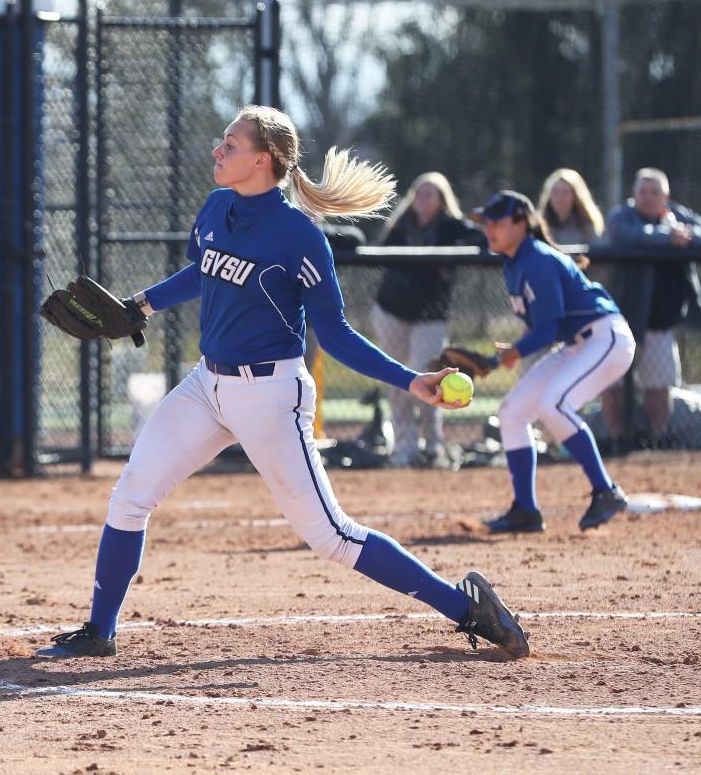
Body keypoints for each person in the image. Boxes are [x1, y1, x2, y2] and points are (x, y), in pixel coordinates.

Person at [36, 105, 529, 660]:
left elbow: (336, 334)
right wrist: (141, 303)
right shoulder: (217, 206)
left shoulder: (299, 235)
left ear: (263, 160)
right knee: (130, 497)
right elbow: (202, 270)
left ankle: (468, 608)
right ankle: (100, 631)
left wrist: (411, 380)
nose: (217, 152)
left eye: (230, 145)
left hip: (271, 396)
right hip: (207, 387)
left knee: (332, 536)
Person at [474, 191, 635, 534]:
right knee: (512, 413)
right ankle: (525, 512)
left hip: (607, 337)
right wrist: (512, 351)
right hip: (578, 344)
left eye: (498, 222)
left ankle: (606, 491)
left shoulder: (538, 260)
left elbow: (546, 330)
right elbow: (547, 326)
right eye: (486, 222)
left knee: (555, 405)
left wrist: (508, 354)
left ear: (522, 223)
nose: (489, 229)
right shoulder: (514, 262)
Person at [371, 172, 485, 468]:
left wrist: (449, 257)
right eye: (419, 193)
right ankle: (405, 446)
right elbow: (380, 253)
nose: (423, 199)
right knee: (396, 379)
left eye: (430, 194)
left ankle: (434, 445)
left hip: (430, 316)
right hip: (392, 310)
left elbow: (482, 237)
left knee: (432, 377)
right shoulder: (401, 225)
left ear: (442, 199)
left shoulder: (450, 226)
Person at [602, 168, 701, 448]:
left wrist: (683, 234)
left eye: (654, 192)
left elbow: (697, 231)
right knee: (614, 384)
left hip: (660, 321)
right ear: (634, 194)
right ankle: (616, 438)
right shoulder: (622, 216)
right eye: (642, 191)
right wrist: (668, 236)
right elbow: (626, 234)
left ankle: (656, 441)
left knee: (659, 385)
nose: (647, 197)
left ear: (665, 196)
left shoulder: (677, 215)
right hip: (621, 320)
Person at [537, 168, 606, 247]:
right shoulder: (538, 227)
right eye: (555, 192)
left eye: (565, 192)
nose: (560, 198)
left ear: (575, 196)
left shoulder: (587, 227)